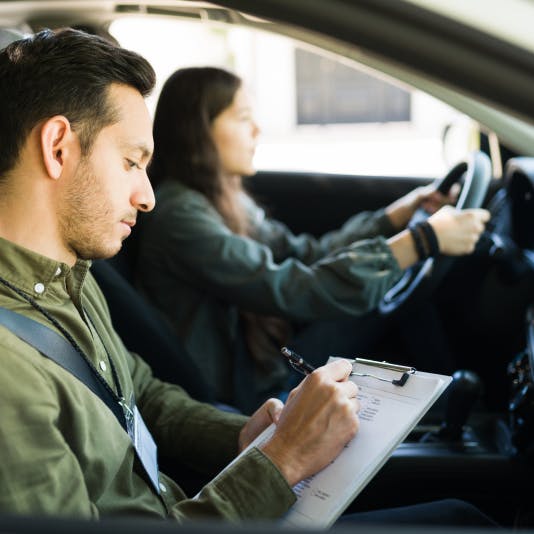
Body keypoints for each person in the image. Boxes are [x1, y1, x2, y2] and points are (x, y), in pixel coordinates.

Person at [0, 28, 497, 528]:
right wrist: (280, 461)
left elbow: (142, 396)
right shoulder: (10, 375)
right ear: (59, 147)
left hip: (186, 502)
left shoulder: (73, 280)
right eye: (130, 162)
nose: (146, 197)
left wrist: (246, 438)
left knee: (461, 514)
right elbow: (296, 284)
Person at [135, 66, 490, 413]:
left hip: (263, 363)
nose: (258, 129)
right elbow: (291, 287)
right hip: (242, 393)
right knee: (385, 296)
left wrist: (393, 218)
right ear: (198, 130)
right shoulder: (181, 216)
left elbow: (306, 254)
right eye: (243, 118)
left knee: (389, 291)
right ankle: (457, 416)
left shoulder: (224, 198)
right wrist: (420, 242)